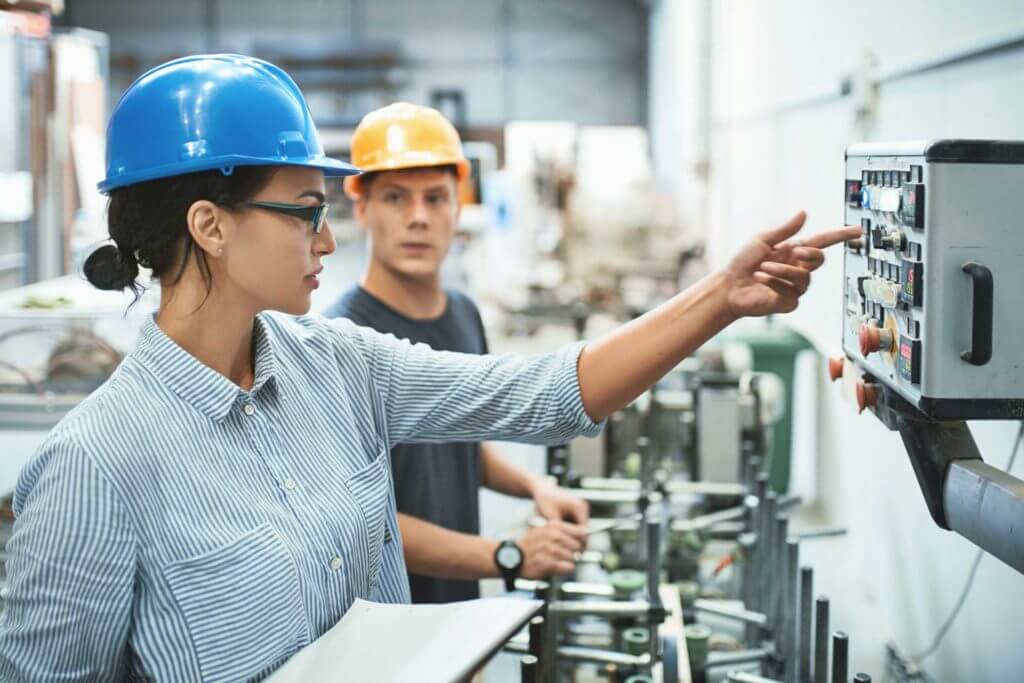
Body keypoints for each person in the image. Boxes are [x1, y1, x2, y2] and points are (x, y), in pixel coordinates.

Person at [0, 54, 859, 682]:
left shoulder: (336, 367)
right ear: (210, 225)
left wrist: (720, 297)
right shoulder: (94, 468)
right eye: (306, 213)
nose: (328, 240)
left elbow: (543, 392)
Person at [324, 102, 589, 603]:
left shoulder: (464, 315)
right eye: (396, 198)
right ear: (361, 208)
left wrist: (536, 488)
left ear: (457, 208)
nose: (418, 218)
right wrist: (505, 556)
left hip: (460, 611)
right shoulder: (338, 339)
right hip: (386, 625)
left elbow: (462, 444)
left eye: (435, 198)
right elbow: (356, 521)